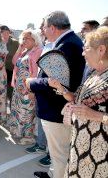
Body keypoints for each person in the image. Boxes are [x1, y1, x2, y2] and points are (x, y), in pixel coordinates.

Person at [26, 11, 85, 178]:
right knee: (57, 153)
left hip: (56, 110)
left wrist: (31, 83)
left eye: (44, 27)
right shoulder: (69, 42)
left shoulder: (67, 46)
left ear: (52, 28)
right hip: (57, 108)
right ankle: (53, 174)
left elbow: (56, 83)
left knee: (60, 155)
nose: (42, 31)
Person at [48, 26, 108, 178]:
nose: (82, 53)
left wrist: (97, 116)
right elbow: (77, 98)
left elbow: (92, 112)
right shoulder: (94, 72)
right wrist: (60, 88)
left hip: (100, 151)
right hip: (81, 144)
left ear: (101, 50)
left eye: (86, 48)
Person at [25, 19, 52, 168]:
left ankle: (51, 154)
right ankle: (41, 145)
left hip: (48, 89)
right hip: (40, 87)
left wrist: (32, 88)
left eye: (44, 26)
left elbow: (37, 71)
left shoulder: (45, 47)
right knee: (41, 119)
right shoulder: (47, 45)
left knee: (51, 124)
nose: (41, 29)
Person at [8, 29, 42, 145]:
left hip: (28, 87)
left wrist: (32, 89)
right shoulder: (24, 52)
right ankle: (19, 132)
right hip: (19, 87)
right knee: (18, 110)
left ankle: (28, 136)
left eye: (27, 38)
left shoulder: (38, 51)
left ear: (35, 40)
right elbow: (14, 62)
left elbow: (36, 73)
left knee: (27, 112)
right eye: (23, 38)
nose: (24, 40)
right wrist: (20, 49)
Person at [0, 25, 19, 101]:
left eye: (7, 32)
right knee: (1, 94)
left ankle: (11, 110)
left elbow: (19, 55)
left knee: (11, 94)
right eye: (2, 32)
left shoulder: (15, 43)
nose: (5, 34)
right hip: (0, 72)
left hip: (11, 71)